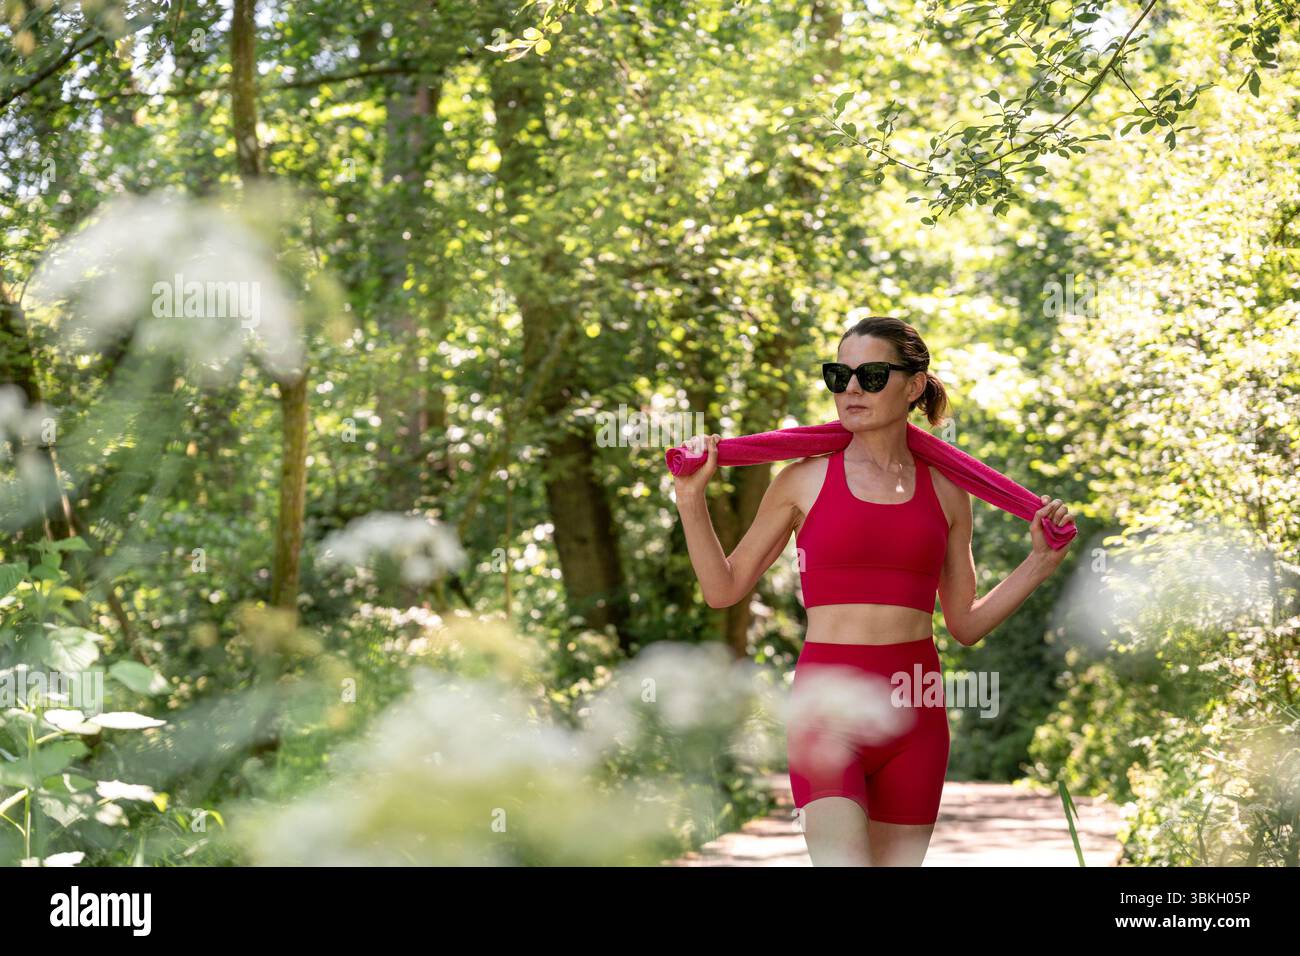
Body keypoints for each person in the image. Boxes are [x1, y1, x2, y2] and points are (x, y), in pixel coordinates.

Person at [670, 315, 1075, 866]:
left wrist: (1039, 563)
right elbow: (724, 589)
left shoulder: (949, 492)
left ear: (912, 386)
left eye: (871, 375)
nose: (851, 389)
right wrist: (692, 500)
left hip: (917, 713)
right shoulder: (802, 479)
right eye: (839, 375)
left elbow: (965, 624)